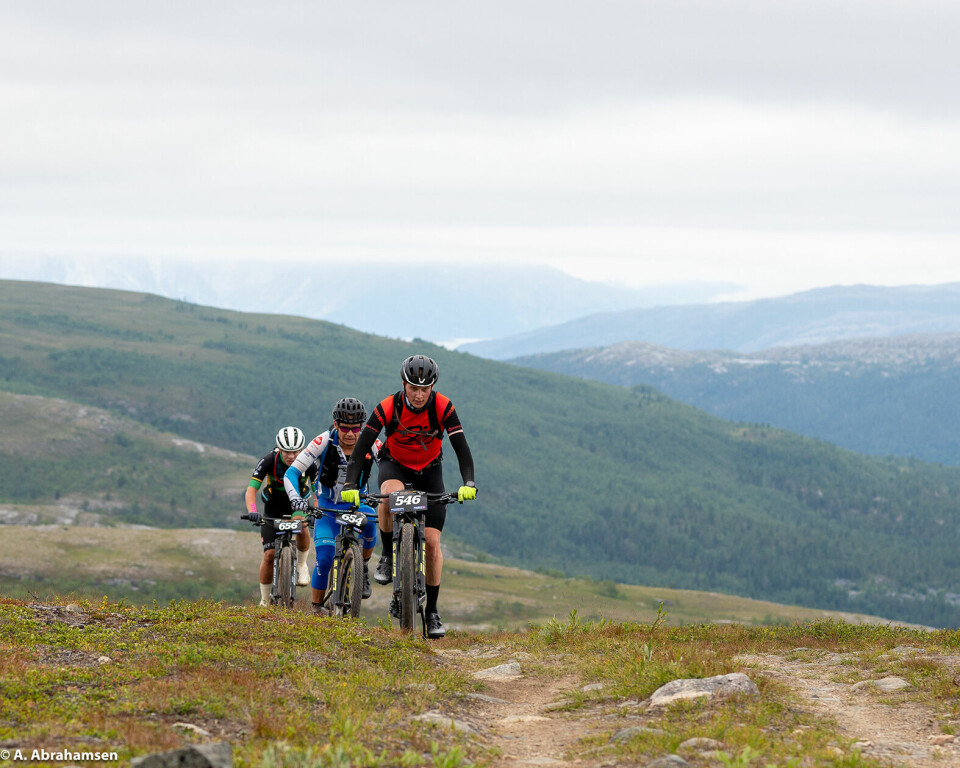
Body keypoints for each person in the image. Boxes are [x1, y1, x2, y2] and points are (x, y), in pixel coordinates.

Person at [340, 355, 477, 638]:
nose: (418, 394)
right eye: (413, 387)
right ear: (404, 384)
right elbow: (363, 445)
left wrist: (469, 482)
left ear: (432, 388)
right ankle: (389, 557)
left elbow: (461, 448)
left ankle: (432, 612)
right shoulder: (388, 407)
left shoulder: (443, 407)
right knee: (390, 496)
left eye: (424, 389)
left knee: (434, 543)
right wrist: (350, 484)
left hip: (430, 471)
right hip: (395, 465)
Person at [283, 397, 382, 615]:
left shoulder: (372, 442)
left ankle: (363, 567)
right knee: (325, 557)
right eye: (344, 427)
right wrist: (296, 499)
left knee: (371, 523)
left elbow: (389, 467)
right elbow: (291, 473)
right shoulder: (323, 441)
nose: (350, 433)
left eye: (355, 428)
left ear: (362, 426)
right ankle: (317, 608)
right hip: (327, 508)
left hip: (357, 505)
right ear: (335, 424)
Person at [245, 426, 316, 606]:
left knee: (301, 523)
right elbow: (251, 489)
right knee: (269, 556)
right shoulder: (269, 460)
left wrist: (315, 509)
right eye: (286, 452)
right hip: (273, 508)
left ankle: (301, 565)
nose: (291, 456)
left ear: (301, 450)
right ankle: (264, 600)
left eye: (295, 452)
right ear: (279, 448)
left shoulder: (310, 463)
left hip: (297, 505)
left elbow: (318, 492)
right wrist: (253, 511)